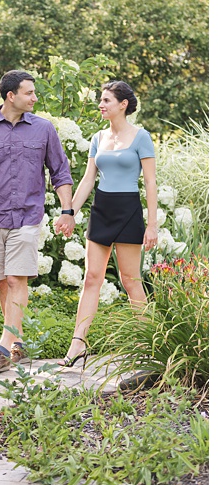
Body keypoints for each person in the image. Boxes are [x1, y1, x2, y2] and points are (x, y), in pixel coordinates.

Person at [0, 70, 76, 373]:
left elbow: (60, 172)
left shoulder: (44, 130)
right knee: (2, 284)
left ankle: (2, 349)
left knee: (15, 279)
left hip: (27, 215)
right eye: (29, 93)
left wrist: (67, 210)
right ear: (11, 96)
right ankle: (17, 344)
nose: (35, 98)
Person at [58, 81, 157, 368]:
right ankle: (78, 344)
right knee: (92, 278)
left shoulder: (141, 137)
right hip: (101, 209)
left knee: (130, 280)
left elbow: (150, 181)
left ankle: (149, 343)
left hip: (128, 210)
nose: (101, 105)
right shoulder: (98, 137)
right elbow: (89, 179)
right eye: (101, 100)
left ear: (123, 104)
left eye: (106, 100)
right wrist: (69, 212)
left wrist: (152, 225)